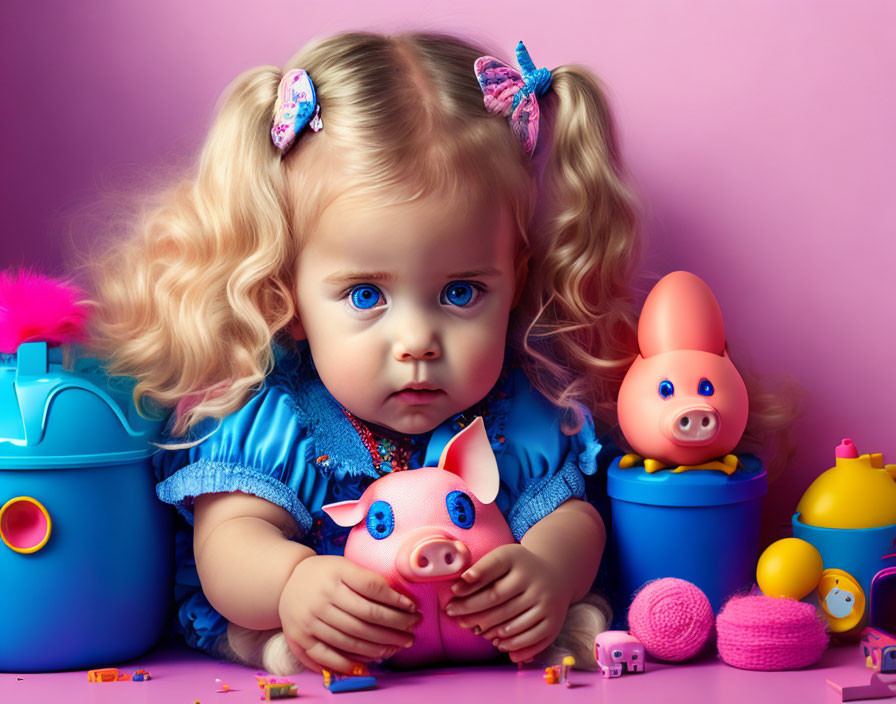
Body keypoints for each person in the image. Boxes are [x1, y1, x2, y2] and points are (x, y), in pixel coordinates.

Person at [89, 31, 641, 675]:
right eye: (364, 294)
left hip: (477, 637)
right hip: (342, 640)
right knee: (262, 630)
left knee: (580, 606)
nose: (415, 343)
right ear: (289, 294)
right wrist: (293, 583)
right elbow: (227, 543)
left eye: (461, 292)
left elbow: (572, 518)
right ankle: (301, 642)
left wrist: (547, 569)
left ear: (515, 279)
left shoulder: (518, 412)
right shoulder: (280, 421)